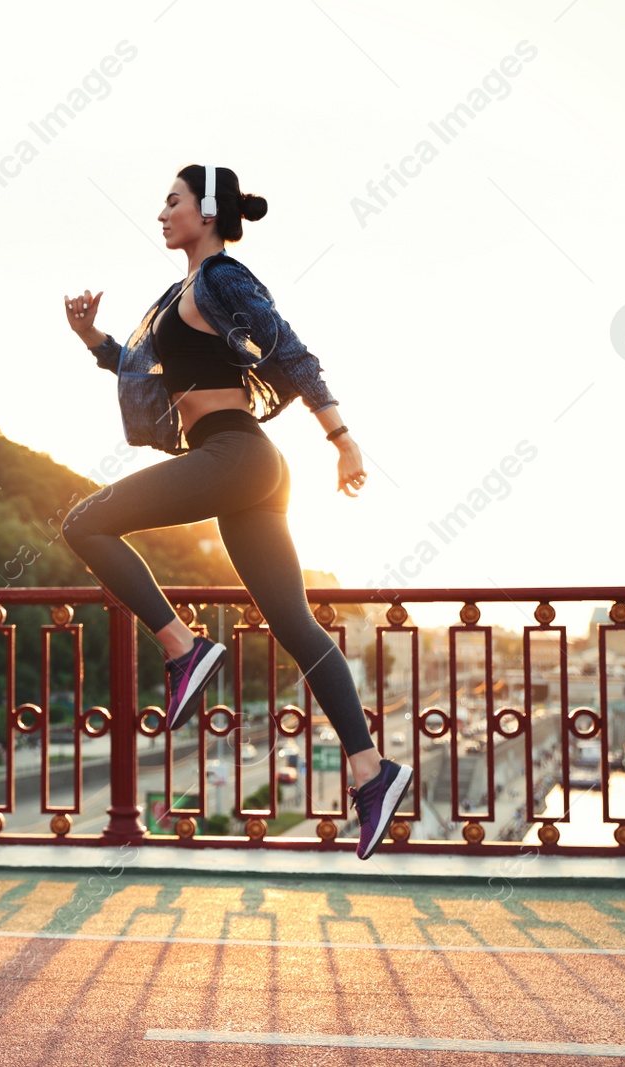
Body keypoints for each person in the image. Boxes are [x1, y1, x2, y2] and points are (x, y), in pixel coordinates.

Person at [60, 164, 412, 860]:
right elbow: (145, 370)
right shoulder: (177, 294)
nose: (161, 213)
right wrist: (91, 339)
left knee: (84, 522)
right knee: (297, 626)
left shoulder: (225, 279)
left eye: (173, 201)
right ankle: (373, 771)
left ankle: (183, 645)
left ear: (208, 212)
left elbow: (293, 353)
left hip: (239, 456)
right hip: (244, 467)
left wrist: (342, 439)